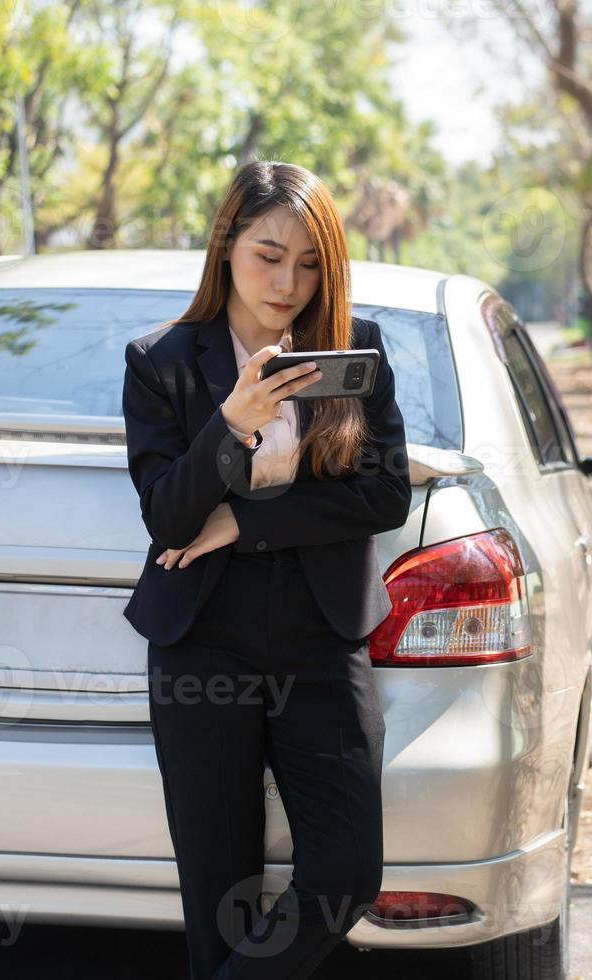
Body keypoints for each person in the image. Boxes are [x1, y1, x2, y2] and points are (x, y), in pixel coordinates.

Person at [119, 160, 412, 980]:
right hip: (201, 643)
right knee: (222, 886)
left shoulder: (358, 355)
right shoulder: (161, 362)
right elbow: (170, 520)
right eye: (268, 255)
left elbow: (384, 494)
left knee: (345, 872)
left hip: (322, 639)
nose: (289, 282)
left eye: (311, 262)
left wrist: (242, 522)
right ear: (226, 250)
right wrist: (230, 424)